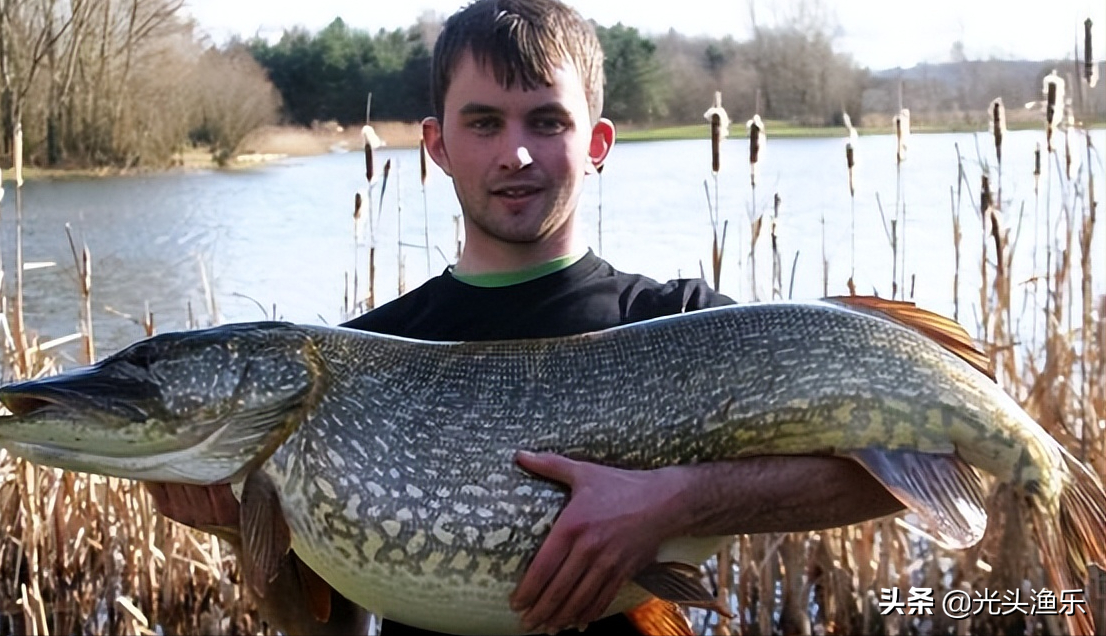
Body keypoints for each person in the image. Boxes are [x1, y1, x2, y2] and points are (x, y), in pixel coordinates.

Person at [148, 1, 905, 634]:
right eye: (483, 123)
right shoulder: (362, 356)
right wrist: (240, 529)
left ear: (597, 142)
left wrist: (678, 498)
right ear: (437, 146)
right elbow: (326, 627)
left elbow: (893, 475)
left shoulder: (685, 323)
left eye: (546, 122)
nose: (515, 153)